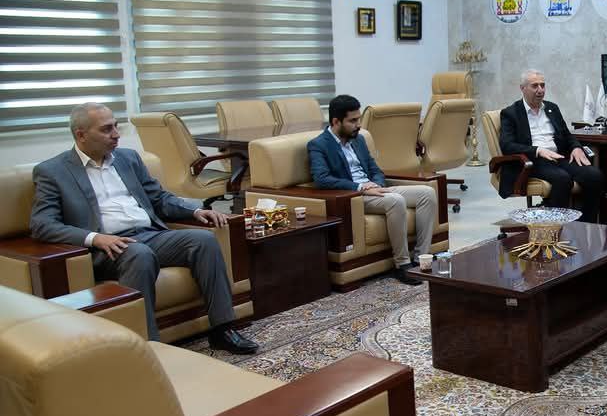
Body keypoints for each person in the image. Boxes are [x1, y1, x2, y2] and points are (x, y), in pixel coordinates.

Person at [30, 103, 257, 353]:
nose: (116, 134)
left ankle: (223, 329)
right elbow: (42, 224)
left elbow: (158, 198)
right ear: (81, 135)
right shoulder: (53, 171)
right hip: (108, 248)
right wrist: (96, 238)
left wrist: (194, 211)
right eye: (106, 129)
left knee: (203, 240)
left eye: (116, 126)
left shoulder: (128, 158)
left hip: (149, 235)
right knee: (139, 254)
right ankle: (147, 346)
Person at [307, 94, 436, 287]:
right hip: (354, 196)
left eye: (358, 119)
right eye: (352, 121)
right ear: (336, 121)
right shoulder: (318, 145)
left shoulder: (358, 139)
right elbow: (322, 179)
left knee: (427, 193)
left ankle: (420, 259)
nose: (358, 125)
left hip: (375, 190)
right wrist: (361, 188)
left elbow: (375, 170)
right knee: (396, 200)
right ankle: (402, 264)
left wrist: (376, 184)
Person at [498, 69, 605, 223]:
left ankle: (586, 224)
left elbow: (567, 135)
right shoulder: (511, 113)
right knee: (562, 179)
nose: (540, 90)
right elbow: (507, 145)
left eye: (542, 85)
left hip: (557, 157)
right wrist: (538, 150)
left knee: (594, 176)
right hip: (532, 161)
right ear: (523, 88)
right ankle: (554, 228)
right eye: (535, 86)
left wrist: (575, 147)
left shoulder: (551, 108)